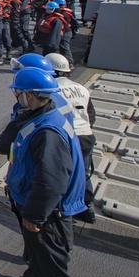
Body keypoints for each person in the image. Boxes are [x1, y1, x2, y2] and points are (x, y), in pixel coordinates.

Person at [0, 68, 87, 277]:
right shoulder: (46, 115)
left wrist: (35, 215)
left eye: (19, 93)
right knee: (39, 259)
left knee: (54, 271)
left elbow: (51, 181)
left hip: (48, 214)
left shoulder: (47, 132)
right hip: (41, 207)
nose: (17, 98)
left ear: (30, 95)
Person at [46, 53, 98, 224]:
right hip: (86, 135)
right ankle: (87, 208)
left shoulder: (52, 90)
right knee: (83, 172)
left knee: (63, 174)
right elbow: (91, 115)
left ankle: (65, 209)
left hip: (66, 136)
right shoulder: (81, 88)